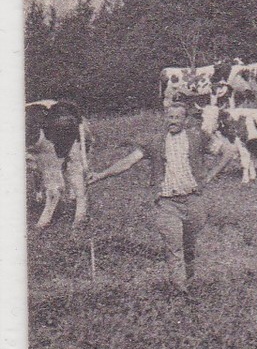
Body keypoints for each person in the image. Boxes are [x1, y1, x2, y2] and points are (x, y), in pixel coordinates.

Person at [87, 102, 231, 292]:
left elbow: (228, 152)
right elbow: (128, 161)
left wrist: (212, 175)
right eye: (170, 117)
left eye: (177, 117)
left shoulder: (197, 137)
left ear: (185, 120)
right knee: (174, 247)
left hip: (194, 201)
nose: (173, 121)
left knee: (188, 248)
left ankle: (189, 282)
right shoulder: (155, 141)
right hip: (166, 203)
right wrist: (100, 175)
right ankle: (180, 291)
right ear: (165, 118)